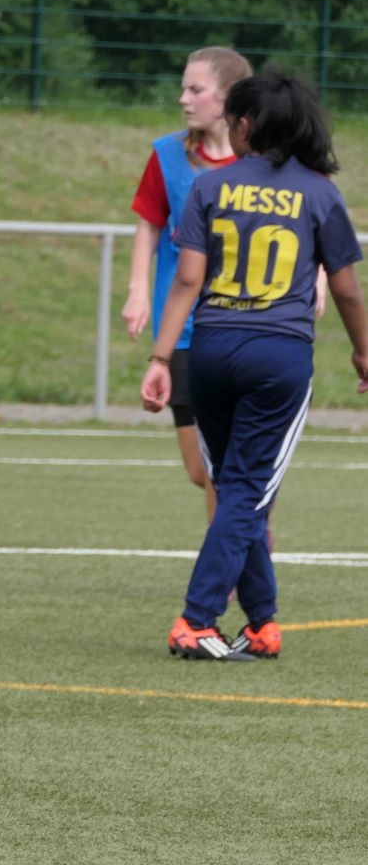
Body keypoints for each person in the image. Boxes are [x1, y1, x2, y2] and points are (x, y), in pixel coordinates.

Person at [141, 67, 368, 661]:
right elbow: (346, 290)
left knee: (238, 485)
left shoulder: (210, 187)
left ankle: (263, 621)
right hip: (277, 356)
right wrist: (363, 351)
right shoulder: (319, 192)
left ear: (245, 124)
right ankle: (197, 618)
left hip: (210, 350)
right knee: (246, 488)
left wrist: (161, 357)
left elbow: (188, 280)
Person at [122, 47, 254, 523]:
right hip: (182, 328)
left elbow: (309, 213)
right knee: (202, 469)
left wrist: (317, 276)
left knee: (225, 464)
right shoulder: (168, 155)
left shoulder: (265, 161)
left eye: (195, 89)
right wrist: (138, 290)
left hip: (243, 326)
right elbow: (149, 223)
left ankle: (234, 550)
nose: (183, 99)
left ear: (229, 96)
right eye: (184, 88)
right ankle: (246, 531)